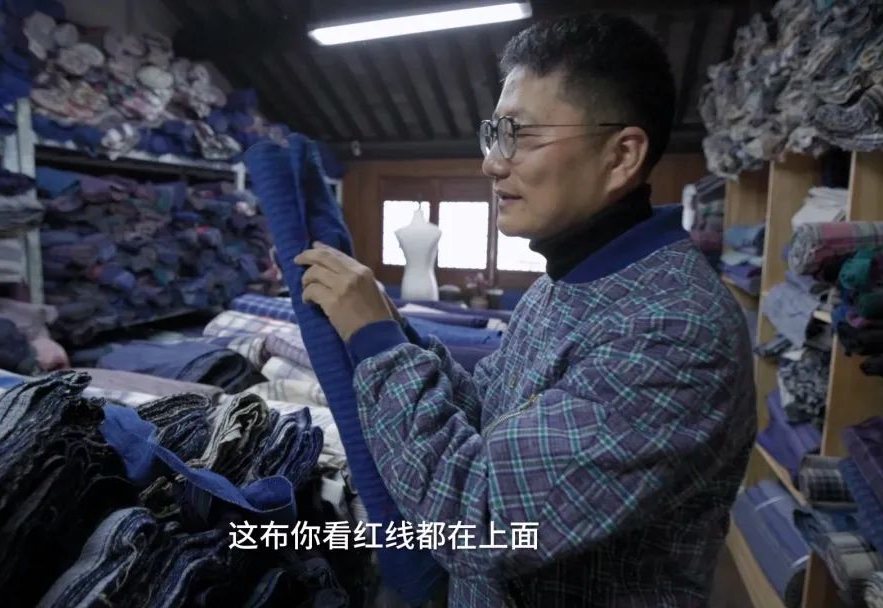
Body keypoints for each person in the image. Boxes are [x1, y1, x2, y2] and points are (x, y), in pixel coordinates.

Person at [294, 14, 756, 607]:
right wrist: (394, 328)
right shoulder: (567, 280)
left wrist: (378, 344)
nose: (492, 162)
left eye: (522, 134)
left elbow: (484, 523)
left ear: (621, 156)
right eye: (495, 132)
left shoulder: (674, 330)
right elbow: (488, 415)